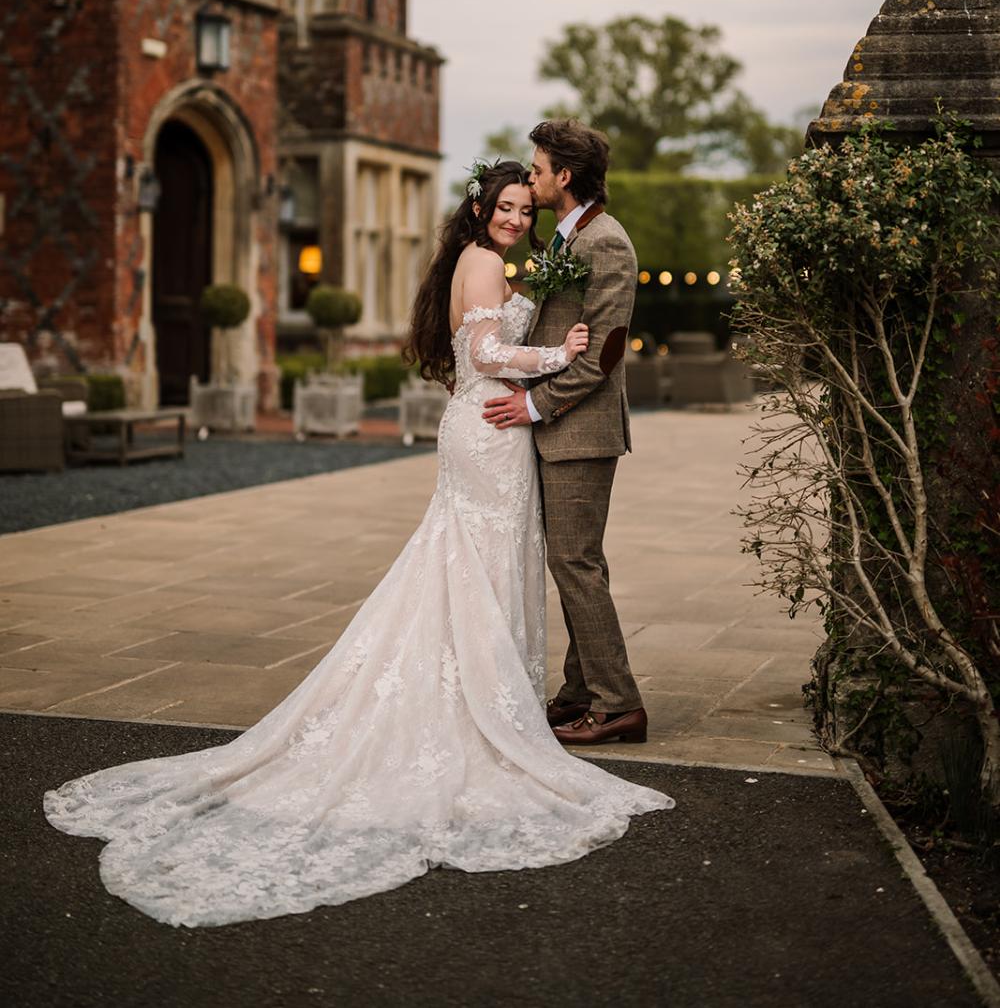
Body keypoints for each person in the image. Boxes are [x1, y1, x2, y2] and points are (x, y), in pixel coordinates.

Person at [44, 159, 672, 928]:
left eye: (521, 203)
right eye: (504, 204)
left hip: (494, 430)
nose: (514, 215)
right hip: (491, 430)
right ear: (479, 209)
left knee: (479, 563)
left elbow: (487, 339)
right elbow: (481, 355)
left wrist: (541, 334)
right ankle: (488, 704)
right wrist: (555, 356)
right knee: (474, 563)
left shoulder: (498, 263)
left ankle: (501, 695)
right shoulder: (481, 263)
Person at [483, 121, 647, 745]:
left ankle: (618, 704)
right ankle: (581, 691)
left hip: (580, 428)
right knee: (573, 560)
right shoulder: (566, 236)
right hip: (563, 428)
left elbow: (603, 354)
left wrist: (534, 406)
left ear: (564, 176)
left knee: (575, 562)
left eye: (538, 167)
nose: (531, 176)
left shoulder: (606, 242)